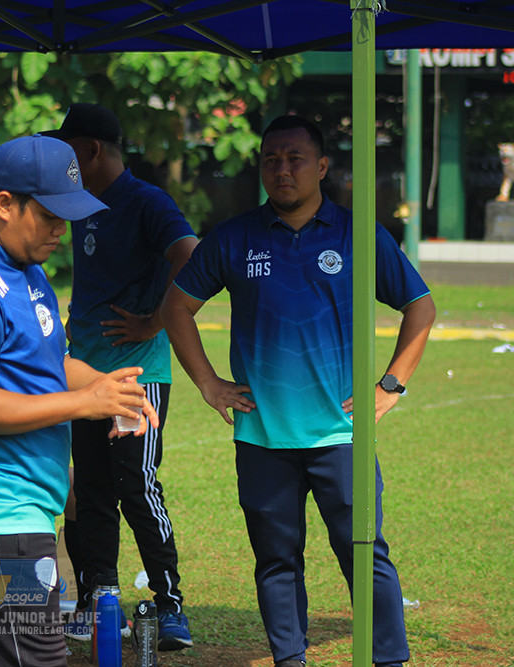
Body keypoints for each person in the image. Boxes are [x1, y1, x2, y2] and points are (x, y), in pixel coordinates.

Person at [160, 114, 435, 667]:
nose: (281, 170)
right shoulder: (235, 237)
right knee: (276, 558)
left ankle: (389, 659)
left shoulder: (359, 234)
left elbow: (420, 307)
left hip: (340, 433)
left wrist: (391, 386)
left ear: (322, 166)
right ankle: (291, 659)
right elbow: (177, 307)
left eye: (295, 159)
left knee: (364, 554)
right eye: (271, 160)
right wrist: (210, 385)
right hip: (263, 435)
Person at [0, 134, 158, 666]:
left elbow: (46, 363)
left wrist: (108, 389)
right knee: (38, 659)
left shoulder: (26, 268)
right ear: (5, 204)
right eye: (49, 215)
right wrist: (83, 404)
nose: (60, 231)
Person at [44, 102, 197, 649]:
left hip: (137, 376)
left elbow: (193, 257)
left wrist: (157, 319)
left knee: (137, 485)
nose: (63, 163)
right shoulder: (79, 203)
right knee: (87, 492)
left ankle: (169, 603)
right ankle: (97, 599)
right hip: (81, 376)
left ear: (91, 150)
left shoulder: (146, 202)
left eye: (68, 152)